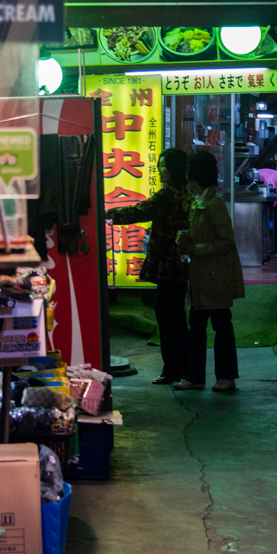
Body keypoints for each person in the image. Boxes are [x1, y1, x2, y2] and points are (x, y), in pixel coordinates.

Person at [107, 148, 192, 385]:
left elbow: (138, 211)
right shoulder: (186, 194)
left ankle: (172, 370)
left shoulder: (167, 196)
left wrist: (106, 215)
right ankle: (182, 367)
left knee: (167, 318)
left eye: (164, 165)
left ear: (175, 169)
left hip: (167, 266)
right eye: (160, 164)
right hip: (179, 266)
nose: (160, 169)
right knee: (175, 317)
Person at [174, 151, 244, 392]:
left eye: (189, 175)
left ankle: (224, 377)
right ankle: (196, 376)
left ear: (195, 177)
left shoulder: (214, 205)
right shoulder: (199, 202)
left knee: (221, 326)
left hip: (215, 278)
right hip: (202, 278)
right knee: (197, 328)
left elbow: (226, 241)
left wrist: (196, 248)